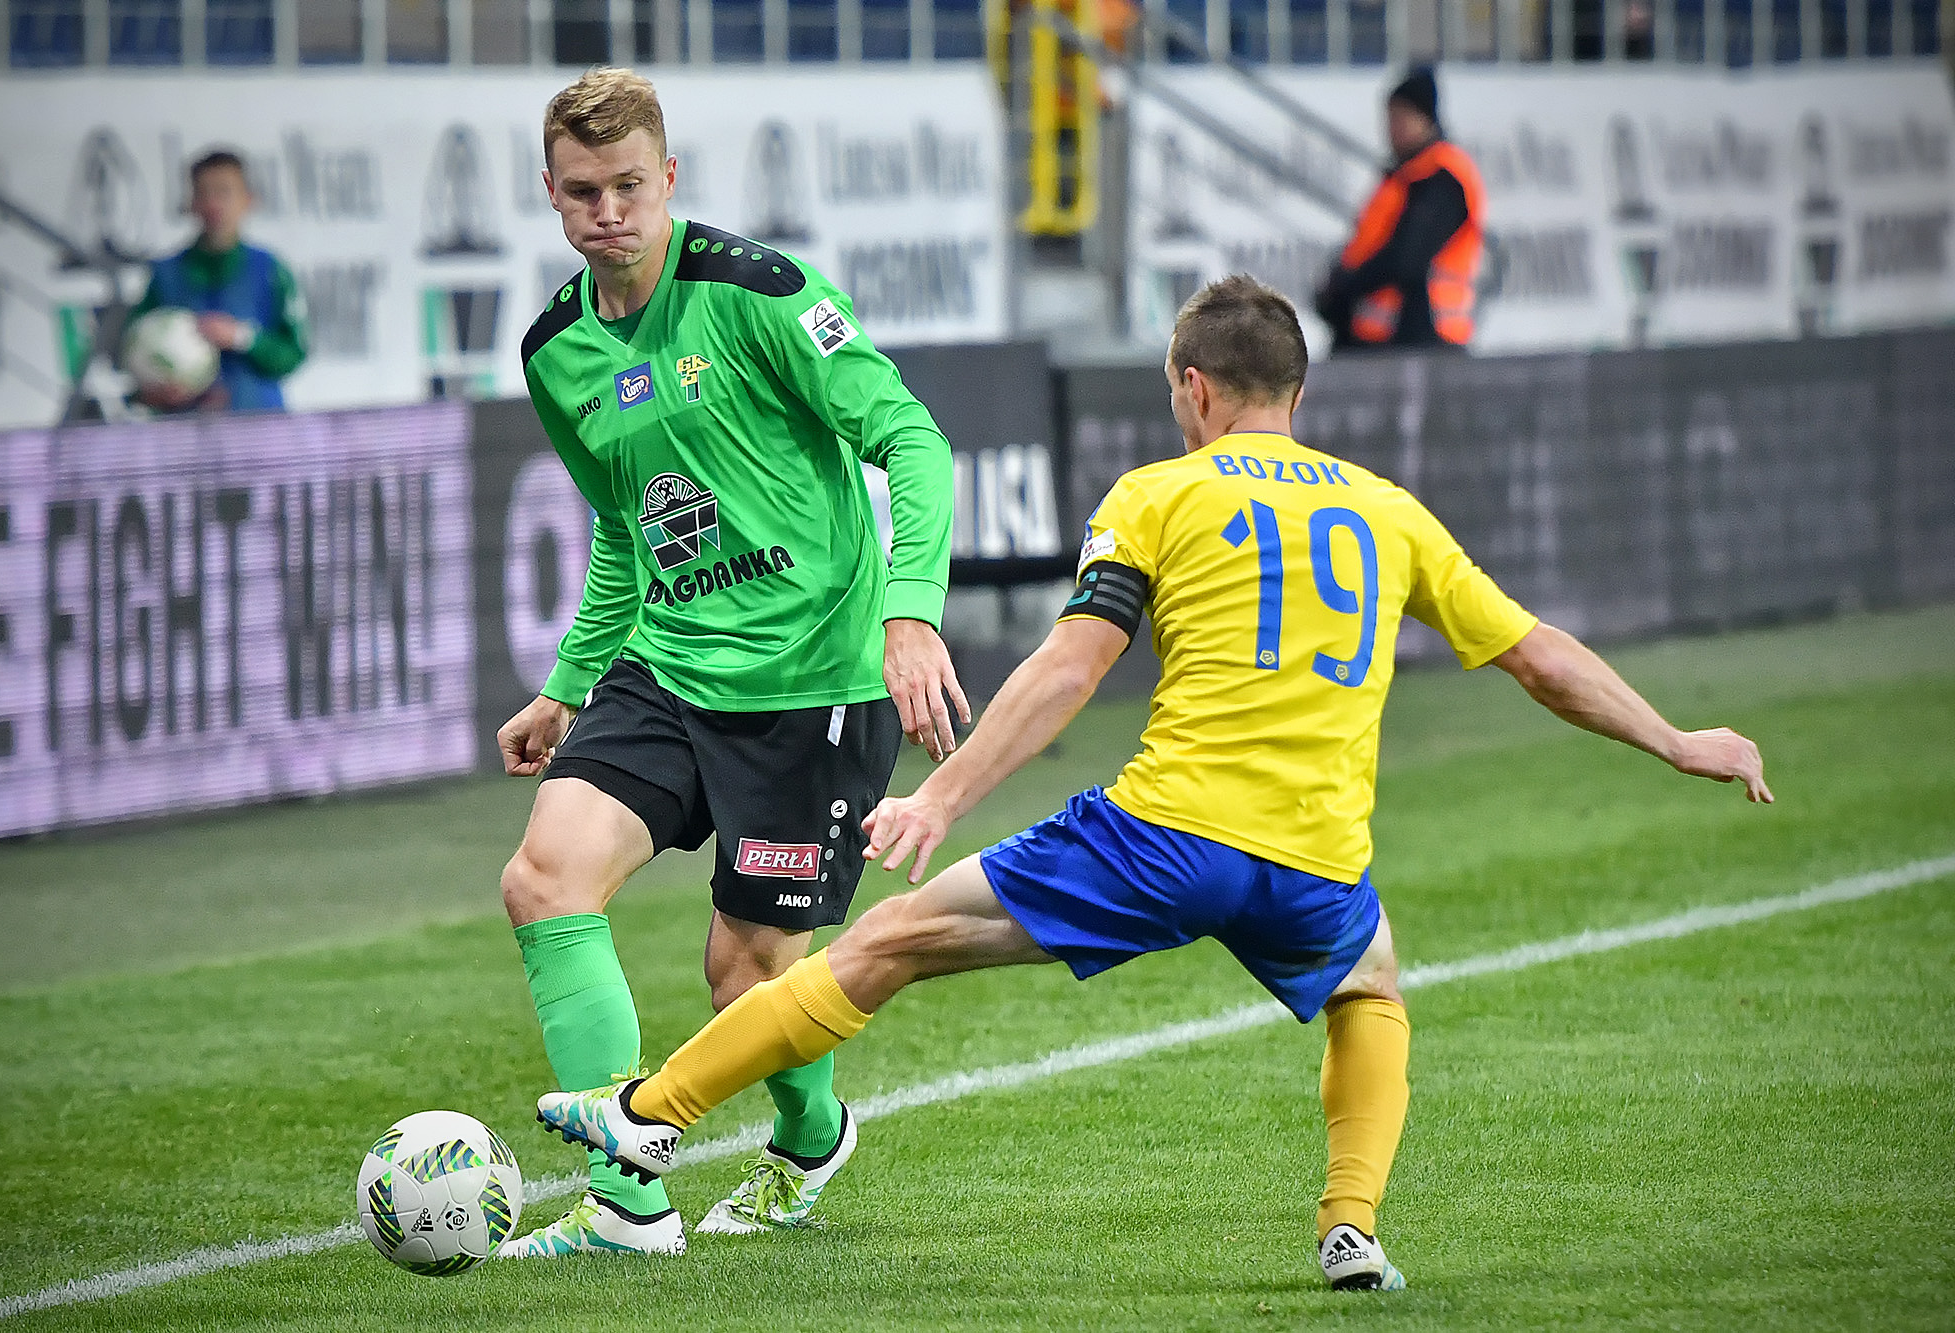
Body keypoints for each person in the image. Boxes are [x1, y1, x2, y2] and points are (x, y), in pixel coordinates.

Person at [533, 275, 1772, 1289]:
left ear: (1192, 387)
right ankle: (1350, 1223)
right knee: (1370, 981)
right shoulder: (1388, 511)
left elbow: (1069, 669)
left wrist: (943, 795)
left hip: (1158, 841)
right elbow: (1537, 657)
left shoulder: (1159, 495)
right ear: (1296, 391)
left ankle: (648, 1109)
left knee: (882, 943)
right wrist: (1675, 739)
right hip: (1314, 862)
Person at [495, 67, 968, 1258]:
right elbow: (622, 527)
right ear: (550, 193)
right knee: (544, 879)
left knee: (743, 979)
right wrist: (567, 683)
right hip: (665, 668)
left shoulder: (759, 295)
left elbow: (911, 437)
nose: (608, 211)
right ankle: (624, 1202)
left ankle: (809, 1137)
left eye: (629, 186)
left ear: (669, 178)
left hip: (814, 682)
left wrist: (909, 613)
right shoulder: (554, 350)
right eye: (583, 191)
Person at [1315, 68, 1487, 352]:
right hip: (1381, 338)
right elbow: (1368, 244)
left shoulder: (1442, 179)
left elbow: (1406, 257)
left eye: (1403, 117)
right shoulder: (1403, 175)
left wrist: (1346, 288)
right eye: (1391, 118)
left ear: (1426, 119)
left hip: (1421, 338)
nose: (1394, 128)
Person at [125, 150, 306, 412]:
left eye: (224, 192)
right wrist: (155, 392)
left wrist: (242, 337)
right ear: (191, 203)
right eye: (202, 193)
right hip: (186, 427)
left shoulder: (270, 270)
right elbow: (133, 352)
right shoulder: (165, 275)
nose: (213, 204)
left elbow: (294, 353)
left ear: (248, 200)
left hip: (258, 424)